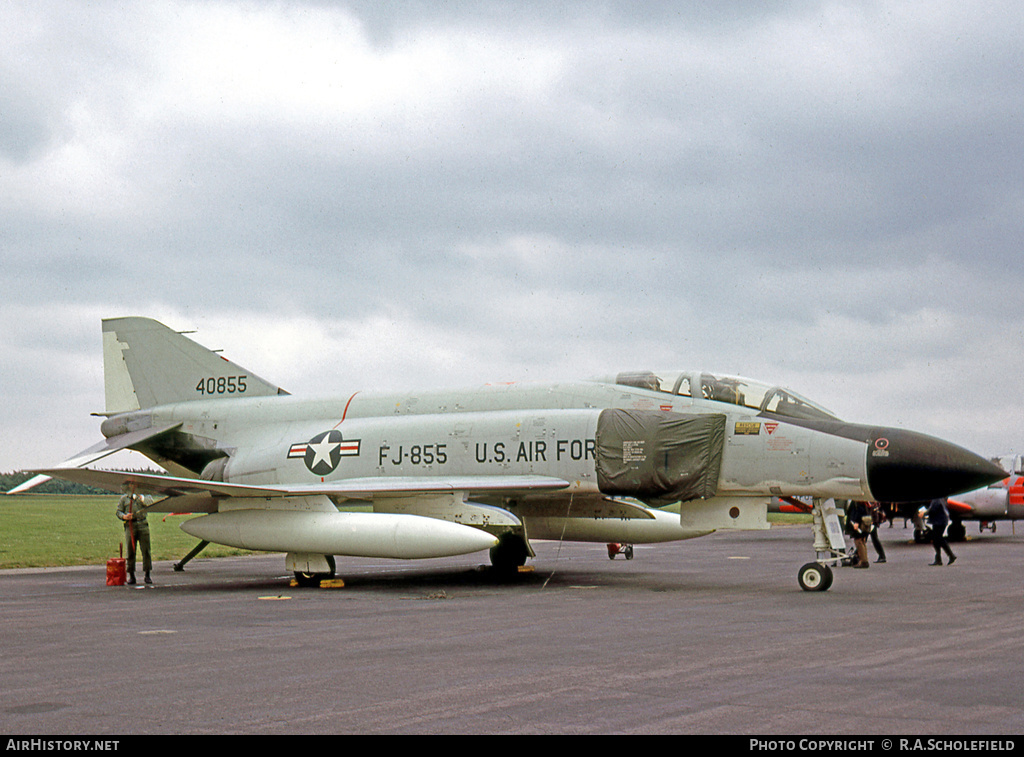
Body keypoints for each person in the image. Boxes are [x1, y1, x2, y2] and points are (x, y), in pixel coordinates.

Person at [117, 483, 152, 584]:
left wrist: (142, 498)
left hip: (143, 524)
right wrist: (124, 517)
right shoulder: (124, 498)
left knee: (146, 550)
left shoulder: (145, 496)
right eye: (131, 484)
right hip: (130, 526)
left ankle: (147, 575)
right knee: (130, 550)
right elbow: (118, 512)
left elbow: (150, 503)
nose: (134, 486)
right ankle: (131, 575)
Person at [926, 497, 956, 566]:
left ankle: (949, 556)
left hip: (939, 520)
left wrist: (924, 512)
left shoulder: (937, 498)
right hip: (940, 520)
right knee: (937, 539)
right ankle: (942, 558)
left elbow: (933, 508)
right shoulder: (941, 497)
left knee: (937, 538)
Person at [845, 500, 873, 568]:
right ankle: (864, 560)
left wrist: (856, 522)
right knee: (862, 542)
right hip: (863, 522)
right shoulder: (863, 500)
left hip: (858, 523)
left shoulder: (857, 500)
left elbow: (858, 510)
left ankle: (863, 561)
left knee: (859, 541)